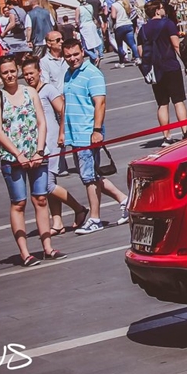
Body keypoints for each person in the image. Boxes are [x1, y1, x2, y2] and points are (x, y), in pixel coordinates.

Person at [0, 53, 60, 266]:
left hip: (36, 155)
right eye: (5, 73)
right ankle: (25, 252)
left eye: (12, 71)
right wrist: (18, 154)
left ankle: (47, 247)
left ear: (17, 71)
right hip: (13, 159)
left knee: (41, 199)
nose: (9, 76)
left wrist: (39, 150)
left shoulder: (30, 92)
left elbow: (42, 122)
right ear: (0, 75)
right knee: (18, 203)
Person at [60, 37, 129, 233]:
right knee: (90, 174)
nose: (72, 59)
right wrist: (63, 132)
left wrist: (97, 130)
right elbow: (67, 103)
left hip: (87, 134)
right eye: (68, 56)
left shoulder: (92, 74)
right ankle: (125, 200)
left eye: (75, 54)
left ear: (82, 51)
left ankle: (95, 218)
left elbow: (100, 103)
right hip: (75, 134)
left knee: (89, 178)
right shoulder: (69, 74)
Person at [19, 55, 87, 236]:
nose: (29, 77)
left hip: (53, 142)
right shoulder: (27, 92)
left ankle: (79, 208)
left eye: (31, 73)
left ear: (39, 72)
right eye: (25, 74)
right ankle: (57, 221)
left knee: (47, 184)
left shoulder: (47, 89)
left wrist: (63, 133)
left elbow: (63, 109)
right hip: (38, 144)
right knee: (49, 182)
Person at [138, 0, 187, 144]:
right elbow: (176, 45)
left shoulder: (143, 29)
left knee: (162, 103)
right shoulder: (168, 24)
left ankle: (166, 136)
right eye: (161, 7)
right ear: (156, 10)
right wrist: (186, 63)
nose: (163, 9)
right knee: (178, 101)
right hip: (171, 66)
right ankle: (185, 132)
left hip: (155, 69)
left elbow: (141, 52)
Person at [109, 0, 139, 66]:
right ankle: (137, 58)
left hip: (119, 25)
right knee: (132, 43)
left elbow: (113, 16)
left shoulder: (114, 5)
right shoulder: (126, 3)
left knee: (120, 45)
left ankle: (122, 62)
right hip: (128, 24)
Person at [76, 0, 105, 64]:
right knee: (91, 45)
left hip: (84, 27)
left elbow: (77, 20)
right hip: (91, 25)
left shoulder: (78, 9)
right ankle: (93, 62)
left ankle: (95, 57)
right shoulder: (90, 6)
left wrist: (78, 25)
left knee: (84, 46)